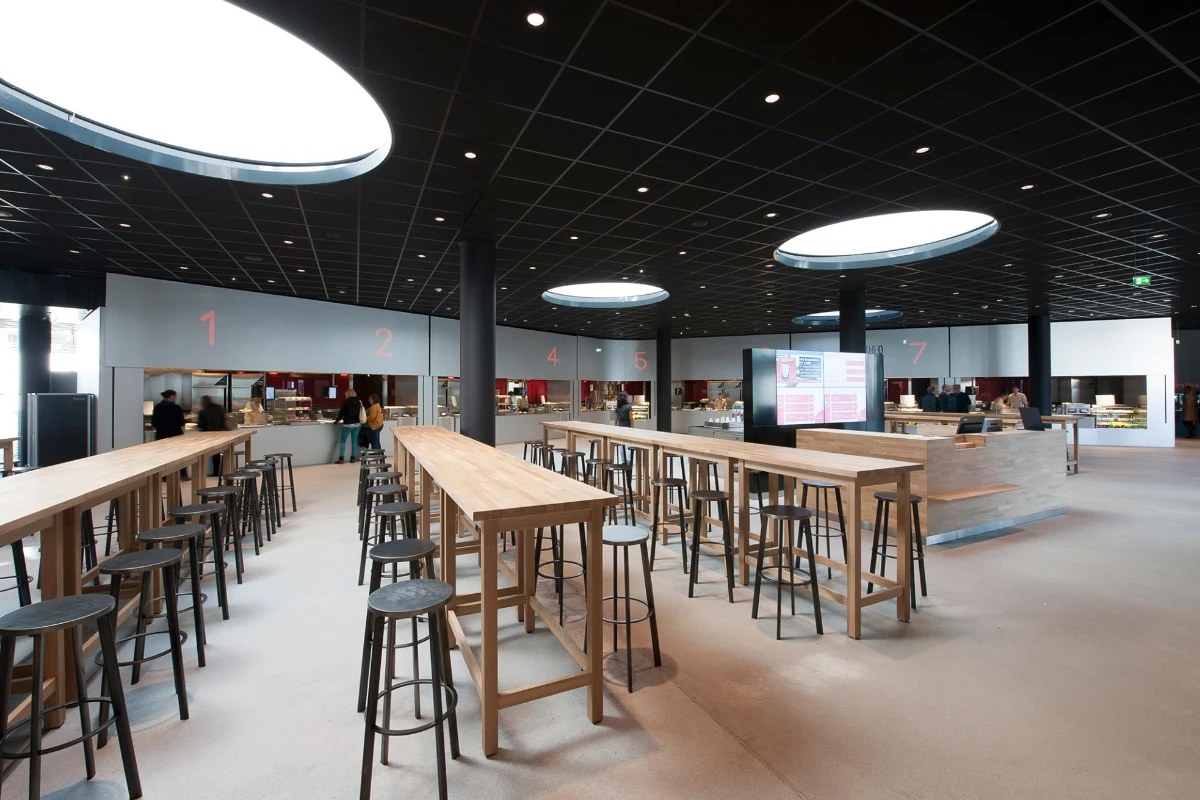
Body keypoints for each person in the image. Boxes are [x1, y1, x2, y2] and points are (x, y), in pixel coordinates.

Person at [151, 389, 187, 478]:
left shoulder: (157, 407)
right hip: (175, 434)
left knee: (163, 455)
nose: (176, 398)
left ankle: (164, 476)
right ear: (171, 396)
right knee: (179, 455)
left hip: (161, 435)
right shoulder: (176, 407)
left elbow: (154, 422)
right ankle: (183, 475)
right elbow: (181, 422)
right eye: (175, 396)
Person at [196, 395, 228, 476]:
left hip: (209, 434)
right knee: (219, 453)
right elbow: (224, 419)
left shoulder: (203, 411)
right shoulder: (219, 407)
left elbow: (200, 425)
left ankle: (215, 471)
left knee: (213, 454)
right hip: (221, 433)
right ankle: (223, 470)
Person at [333, 388, 363, 464]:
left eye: (345, 394)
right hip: (357, 424)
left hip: (347, 424)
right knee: (354, 441)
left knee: (343, 441)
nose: (345, 396)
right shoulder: (359, 402)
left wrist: (337, 421)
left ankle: (341, 458)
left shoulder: (346, 402)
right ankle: (353, 458)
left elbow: (341, 413)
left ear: (348, 394)